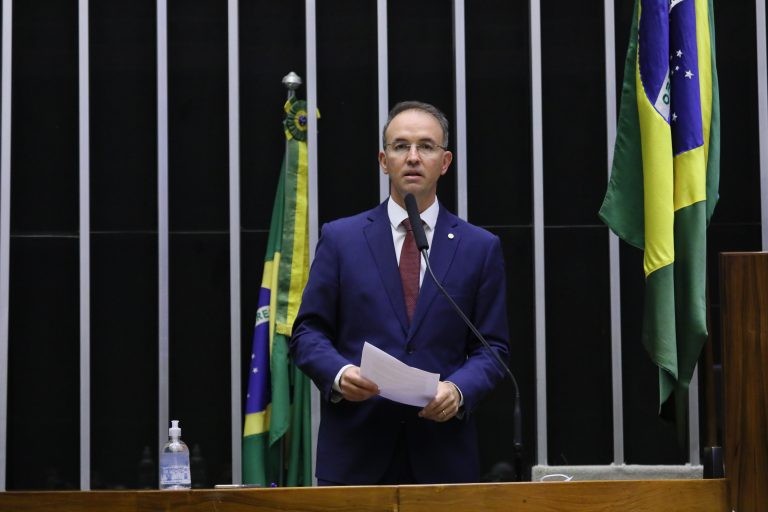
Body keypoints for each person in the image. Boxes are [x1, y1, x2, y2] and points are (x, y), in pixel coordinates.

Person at [289, 101, 509, 485]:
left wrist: (457, 390)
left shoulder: (479, 247)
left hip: (442, 459)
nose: (412, 157)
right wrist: (340, 374)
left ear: (445, 162)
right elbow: (307, 333)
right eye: (399, 146)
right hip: (356, 456)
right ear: (382, 159)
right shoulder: (341, 239)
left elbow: (492, 348)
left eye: (426, 146)